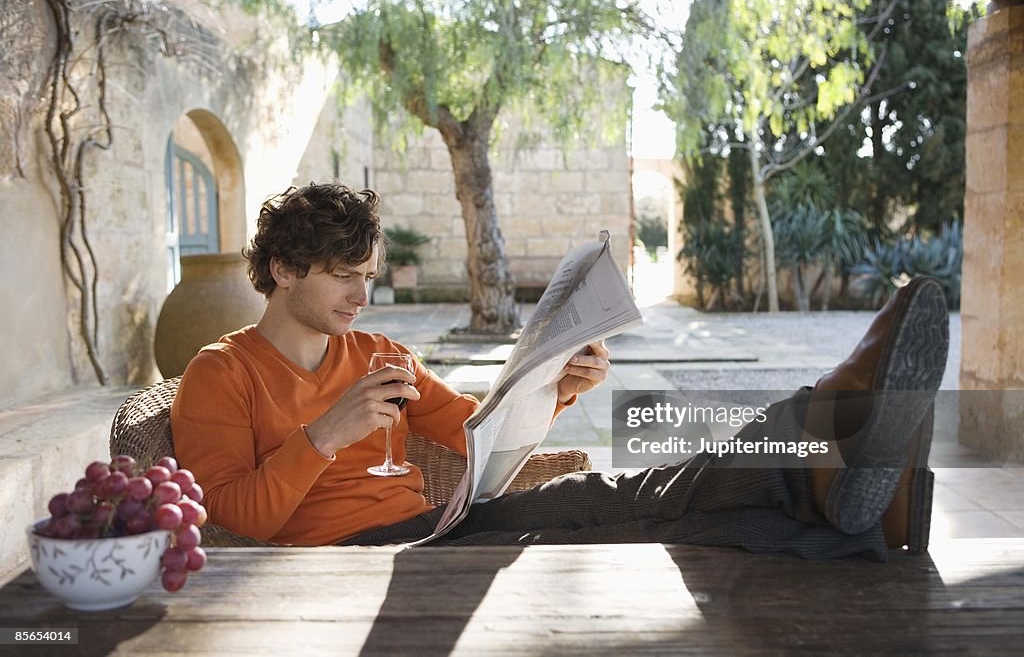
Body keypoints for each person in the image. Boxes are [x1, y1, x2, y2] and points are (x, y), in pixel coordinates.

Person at [171, 182, 948, 560]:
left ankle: (830, 457)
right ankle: (838, 462)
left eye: (367, 274)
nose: (362, 294)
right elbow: (238, 517)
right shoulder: (220, 372)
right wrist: (326, 432)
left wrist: (553, 386)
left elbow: (480, 434)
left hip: (437, 530)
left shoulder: (381, 355)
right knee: (642, 521)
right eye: (344, 274)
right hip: (358, 564)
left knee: (639, 493)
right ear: (282, 267)